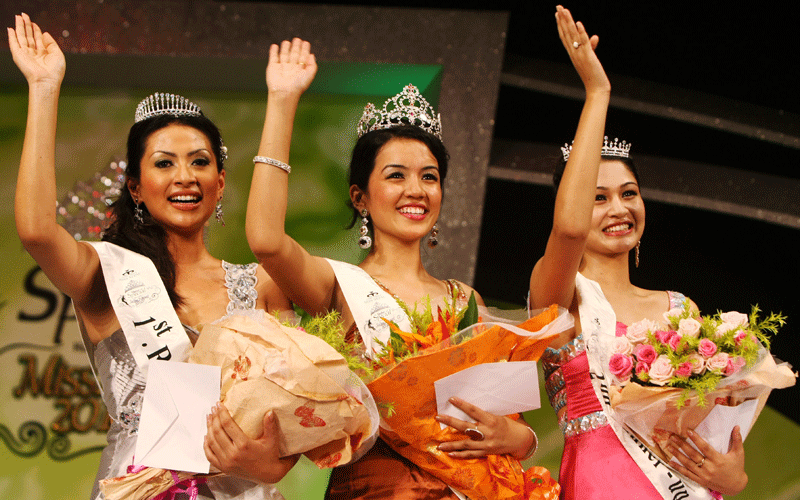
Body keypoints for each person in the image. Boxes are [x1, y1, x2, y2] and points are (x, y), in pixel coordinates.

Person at [8, 13, 297, 500]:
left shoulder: (263, 285)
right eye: (164, 163)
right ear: (136, 188)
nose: (185, 176)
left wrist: (264, 464)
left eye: (200, 162)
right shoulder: (109, 274)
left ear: (220, 183)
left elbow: (287, 428)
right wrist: (43, 86)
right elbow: (37, 230)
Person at [246, 39, 545, 499]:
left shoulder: (466, 301)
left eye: (429, 176)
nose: (416, 190)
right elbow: (266, 239)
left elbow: (510, 424)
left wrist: (520, 439)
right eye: (395, 175)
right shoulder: (336, 285)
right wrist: (283, 102)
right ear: (359, 196)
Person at [528, 6, 748, 499]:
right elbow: (565, 231)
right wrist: (597, 93)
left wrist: (735, 478)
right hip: (598, 484)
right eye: (597, 197)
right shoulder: (559, 296)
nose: (618, 207)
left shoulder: (681, 312)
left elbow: (717, 437)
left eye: (629, 193)